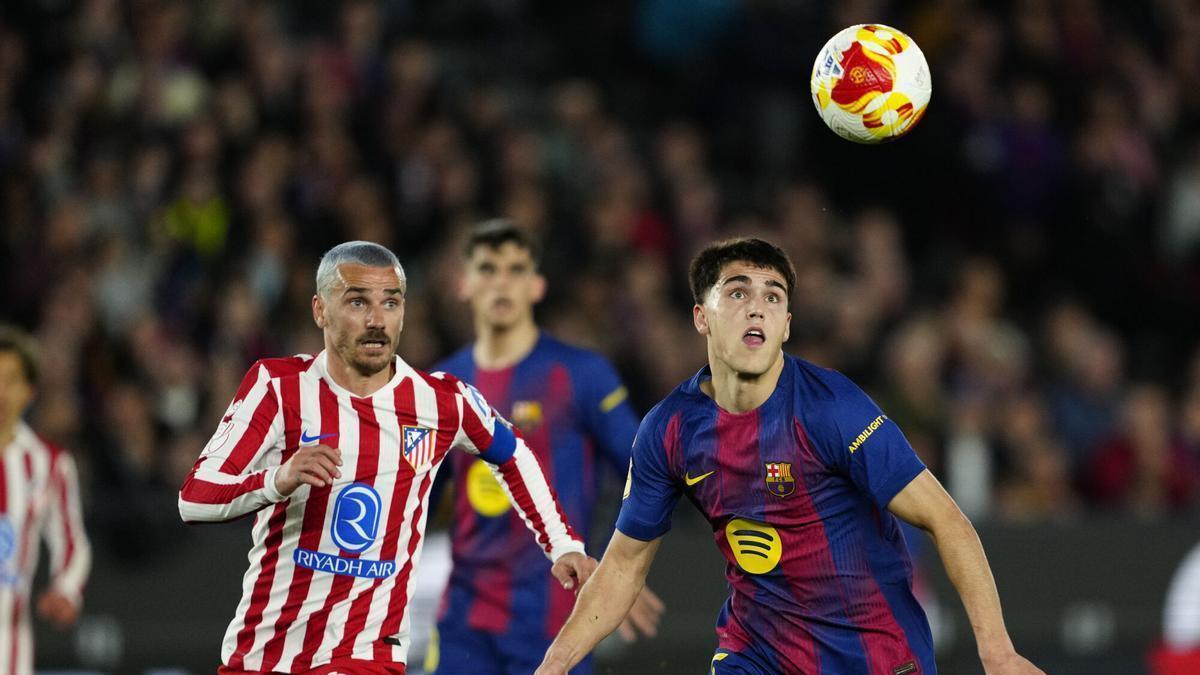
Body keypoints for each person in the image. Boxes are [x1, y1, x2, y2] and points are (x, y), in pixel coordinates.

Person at [537, 238, 1043, 675]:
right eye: (737, 293)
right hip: (757, 655)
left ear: (786, 326)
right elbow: (624, 567)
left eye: (773, 297)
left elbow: (946, 520)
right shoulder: (669, 429)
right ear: (701, 318)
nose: (757, 307)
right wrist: (555, 663)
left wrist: (997, 653)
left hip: (874, 655)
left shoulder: (832, 408)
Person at [178, 241, 595, 674]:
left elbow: (513, 455)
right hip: (264, 653)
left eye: (390, 303)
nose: (377, 320)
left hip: (368, 655)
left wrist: (562, 544)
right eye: (358, 302)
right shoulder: (278, 386)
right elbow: (194, 498)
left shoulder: (441, 402)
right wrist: (278, 479)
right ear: (320, 311)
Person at [428, 221, 662, 675]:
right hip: (464, 624)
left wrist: (621, 572)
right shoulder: (440, 387)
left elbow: (645, 471)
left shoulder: (581, 374)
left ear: (537, 286)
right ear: (464, 283)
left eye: (516, 270)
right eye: (488, 268)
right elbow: (416, 500)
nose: (501, 282)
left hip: (558, 621)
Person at [0, 325, 91, 675]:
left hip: (10, 646)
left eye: (11, 379)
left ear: (29, 391)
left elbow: (71, 541)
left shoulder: (50, 464)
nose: (1, 390)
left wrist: (65, 590)